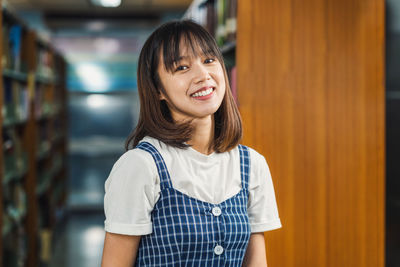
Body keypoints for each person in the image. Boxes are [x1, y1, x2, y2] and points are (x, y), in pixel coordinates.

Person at [101, 20, 281, 267]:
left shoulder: (252, 165)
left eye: (209, 60)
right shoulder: (141, 166)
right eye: (182, 67)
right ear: (157, 90)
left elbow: (256, 262)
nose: (203, 75)